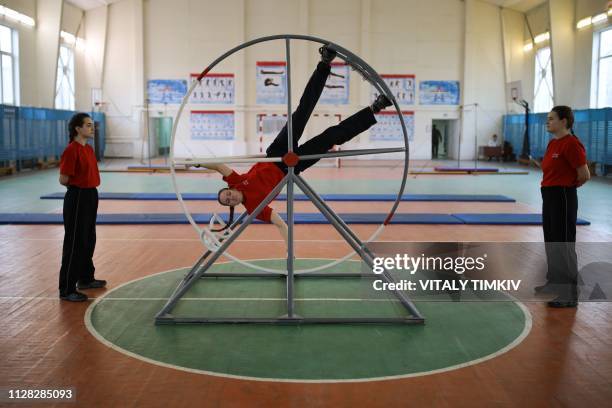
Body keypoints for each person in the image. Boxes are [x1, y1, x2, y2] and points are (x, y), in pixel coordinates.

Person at [203, 46, 391, 244]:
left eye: (227, 194)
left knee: (302, 112)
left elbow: (218, 165)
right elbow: (281, 224)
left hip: (276, 152)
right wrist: (289, 251)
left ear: (230, 189)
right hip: (292, 167)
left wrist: (193, 163)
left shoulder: (236, 181)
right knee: (330, 138)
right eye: (228, 201)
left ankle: (325, 62)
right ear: (232, 206)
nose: (230, 197)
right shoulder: (255, 209)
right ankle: (375, 108)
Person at [532, 106, 590, 308]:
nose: (547, 122)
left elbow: (584, 174)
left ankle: (569, 294)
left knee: (563, 243)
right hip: (548, 195)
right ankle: (555, 283)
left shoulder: (571, 144)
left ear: (564, 121)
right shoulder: (552, 144)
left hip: (563, 196)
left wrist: (567, 187)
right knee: (552, 241)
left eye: (551, 119)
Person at [58, 113, 106, 302]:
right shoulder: (72, 150)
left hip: (90, 194)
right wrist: (78, 188)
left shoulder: (89, 149)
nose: (91, 128)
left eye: (92, 125)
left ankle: (85, 279)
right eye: (87, 125)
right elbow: (63, 179)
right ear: (77, 128)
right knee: (75, 242)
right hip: (77, 196)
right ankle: (67, 288)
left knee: (88, 239)